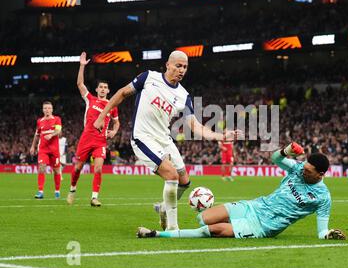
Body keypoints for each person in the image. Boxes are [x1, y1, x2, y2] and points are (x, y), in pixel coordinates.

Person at [93, 50, 241, 231]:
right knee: (171, 175)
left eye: (185, 67)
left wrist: (221, 136)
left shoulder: (184, 95)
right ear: (168, 65)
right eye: (178, 66)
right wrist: (102, 116)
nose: (182, 70)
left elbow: (195, 126)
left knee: (185, 181)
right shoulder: (148, 77)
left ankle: (164, 207)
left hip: (164, 139)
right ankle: (172, 227)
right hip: (143, 137)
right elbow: (122, 93)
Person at [136, 142, 346, 240]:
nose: (303, 171)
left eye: (309, 171)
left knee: (212, 231)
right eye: (304, 167)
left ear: (320, 174)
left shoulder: (322, 197)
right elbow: (276, 159)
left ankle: (157, 234)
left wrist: (328, 234)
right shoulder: (299, 168)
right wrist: (286, 151)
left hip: (263, 225)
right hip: (254, 205)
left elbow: (321, 231)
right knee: (203, 218)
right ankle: (234, 227)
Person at [66, 52, 120, 207]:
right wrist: (82, 66)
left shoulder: (112, 106)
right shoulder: (90, 99)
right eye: (101, 87)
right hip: (86, 138)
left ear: (109, 91)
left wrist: (114, 131)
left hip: (100, 141)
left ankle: (94, 197)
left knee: (98, 168)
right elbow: (80, 85)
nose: (103, 89)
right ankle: (72, 189)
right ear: (97, 89)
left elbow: (116, 123)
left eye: (105, 88)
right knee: (77, 168)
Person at [29, 101, 62, 199]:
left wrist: (51, 135)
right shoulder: (40, 121)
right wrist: (33, 146)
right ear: (43, 110)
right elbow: (37, 134)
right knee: (41, 167)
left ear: (52, 109)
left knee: (56, 171)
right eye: (45, 108)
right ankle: (40, 192)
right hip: (43, 149)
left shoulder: (57, 119)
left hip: (54, 150)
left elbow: (58, 131)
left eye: (49, 108)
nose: (47, 110)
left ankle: (57, 191)